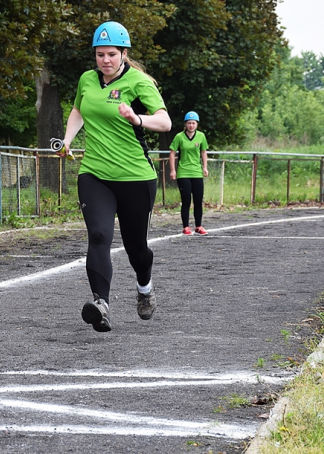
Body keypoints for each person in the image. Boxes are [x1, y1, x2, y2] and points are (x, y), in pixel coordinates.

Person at [58, 21, 172, 332]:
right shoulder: (86, 80)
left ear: (123, 53)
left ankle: (145, 289)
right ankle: (101, 305)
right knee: (98, 235)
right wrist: (67, 140)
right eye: (99, 55)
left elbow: (165, 122)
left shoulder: (139, 82)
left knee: (136, 247)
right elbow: (79, 111)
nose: (105, 61)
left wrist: (137, 118)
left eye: (111, 54)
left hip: (136, 177)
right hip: (95, 174)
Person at [168, 111, 209, 235]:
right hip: (183, 172)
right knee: (186, 200)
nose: (191, 125)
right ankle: (186, 226)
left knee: (198, 200)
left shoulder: (201, 136)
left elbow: (203, 152)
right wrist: (173, 170)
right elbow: (172, 153)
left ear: (197, 124)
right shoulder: (179, 137)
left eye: (193, 123)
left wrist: (205, 167)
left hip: (196, 172)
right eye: (189, 123)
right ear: (185, 124)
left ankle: (199, 226)